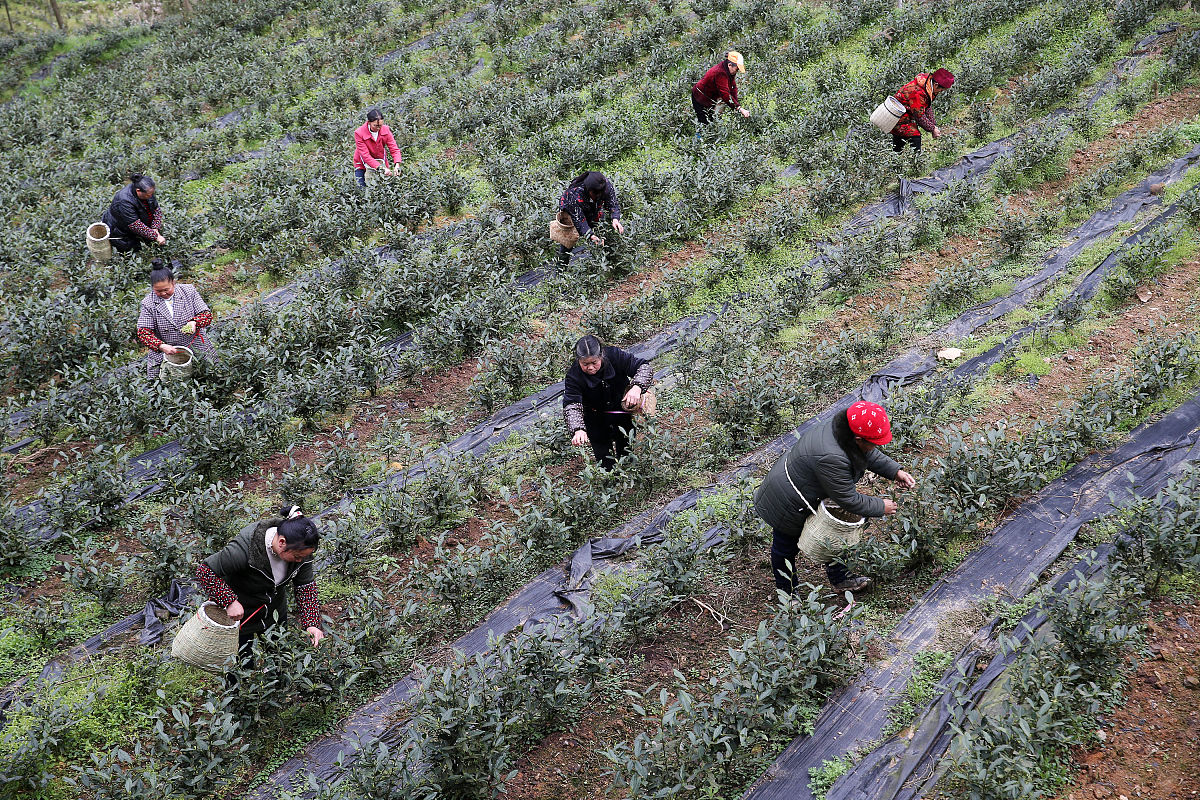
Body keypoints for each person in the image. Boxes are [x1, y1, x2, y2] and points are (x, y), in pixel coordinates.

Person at [753, 401, 917, 594]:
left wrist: (895, 471)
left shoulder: (844, 427)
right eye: (873, 442)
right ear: (858, 438)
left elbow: (867, 451)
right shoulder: (832, 456)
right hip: (787, 501)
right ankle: (787, 594)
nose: (875, 446)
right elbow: (848, 500)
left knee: (836, 533)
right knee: (785, 549)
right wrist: (881, 506)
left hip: (806, 488)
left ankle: (841, 579)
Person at [194, 505, 325, 676]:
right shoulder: (245, 549)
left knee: (280, 659)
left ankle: (278, 690)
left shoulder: (301, 551)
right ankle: (240, 697)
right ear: (282, 542)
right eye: (297, 557)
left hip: (274, 612)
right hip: (241, 616)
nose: (301, 560)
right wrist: (229, 601)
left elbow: (305, 587)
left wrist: (312, 624)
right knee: (240, 666)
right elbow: (205, 571)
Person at [563, 335, 654, 470]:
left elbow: (644, 367)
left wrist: (636, 388)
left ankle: (628, 477)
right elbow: (572, 404)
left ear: (601, 355)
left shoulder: (615, 356)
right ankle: (610, 483)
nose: (590, 368)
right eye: (585, 364)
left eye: (594, 362)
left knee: (626, 450)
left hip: (622, 412)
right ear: (578, 361)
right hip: (595, 419)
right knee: (604, 461)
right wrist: (578, 430)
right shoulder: (574, 375)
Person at [135, 263, 216, 378]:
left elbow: (206, 314)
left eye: (166, 289)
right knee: (165, 383)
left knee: (208, 375)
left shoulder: (188, 291)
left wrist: (194, 322)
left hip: (195, 345)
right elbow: (143, 332)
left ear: (173, 282)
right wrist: (161, 346)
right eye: (158, 291)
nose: (163, 293)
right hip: (166, 351)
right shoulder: (148, 303)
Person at [555, 171, 624, 267]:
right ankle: (561, 270)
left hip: (593, 209)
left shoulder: (605, 185)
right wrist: (590, 235)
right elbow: (579, 220)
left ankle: (601, 264)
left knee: (600, 231)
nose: (597, 196)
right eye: (595, 194)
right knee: (567, 241)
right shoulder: (575, 193)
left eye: (600, 194)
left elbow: (612, 203)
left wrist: (615, 219)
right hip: (571, 211)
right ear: (589, 190)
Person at [890, 68, 955, 152]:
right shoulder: (918, 92)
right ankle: (916, 163)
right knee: (914, 136)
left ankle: (897, 160)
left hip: (908, 114)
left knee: (899, 143)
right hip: (898, 117)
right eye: (941, 90)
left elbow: (927, 106)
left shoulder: (928, 85)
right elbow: (919, 116)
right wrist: (932, 129)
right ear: (936, 85)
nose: (940, 92)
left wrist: (933, 125)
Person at [102, 173, 164, 253]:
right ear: (138, 191)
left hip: (142, 226)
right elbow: (135, 225)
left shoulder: (148, 192)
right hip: (121, 231)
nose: (151, 196)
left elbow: (156, 210)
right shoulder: (124, 200)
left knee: (154, 247)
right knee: (131, 253)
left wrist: (155, 228)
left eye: (152, 194)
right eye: (149, 195)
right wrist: (156, 236)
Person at [691, 50, 751, 125]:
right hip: (699, 97)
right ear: (729, 65)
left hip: (710, 98)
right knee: (703, 124)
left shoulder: (729, 70)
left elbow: (733, 87)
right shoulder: (720, 73)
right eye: (737, 69)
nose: (737, 71)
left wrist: (737, 105)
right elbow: (725, 94)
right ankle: (698, 136)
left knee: (712, 122)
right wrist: (739, 108)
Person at [353, 108, 402, 189]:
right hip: (362, 164)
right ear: (369, 123)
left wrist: (397, 164)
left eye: (380, 125)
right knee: (362, 189)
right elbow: (365, 156)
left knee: (385, 189)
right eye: (375, 125)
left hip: (381, 161)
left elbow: (394, 148)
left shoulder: (385, 130)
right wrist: (381, 168)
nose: (378, 128)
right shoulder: (359, 133)